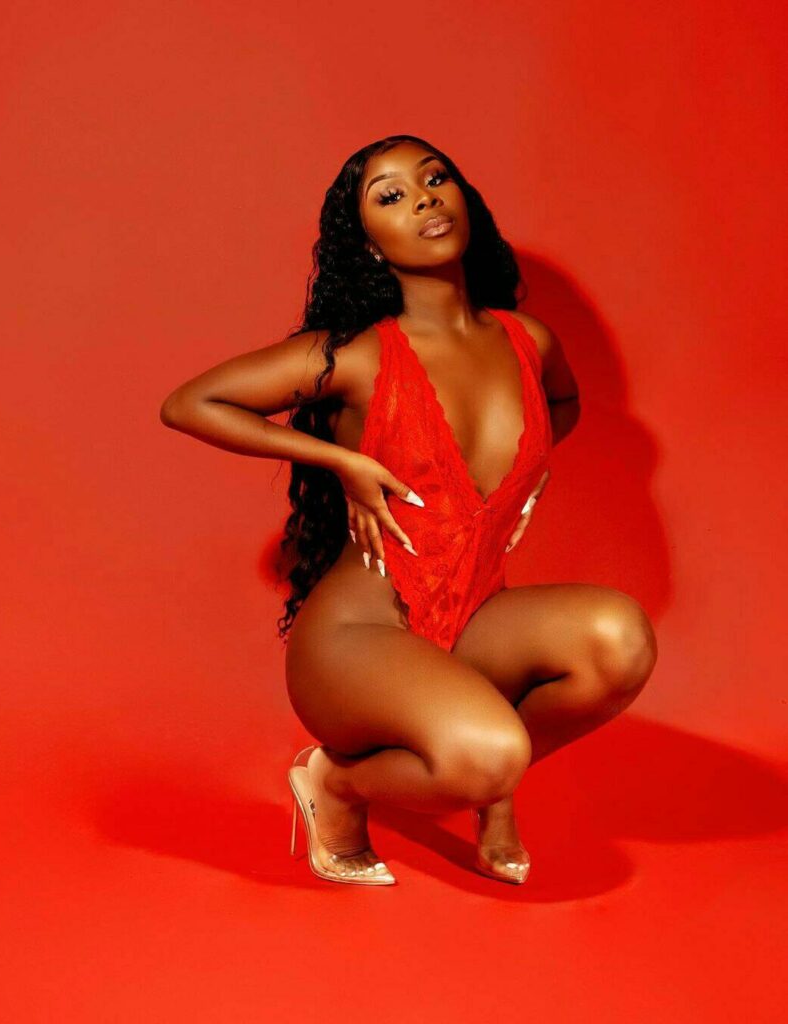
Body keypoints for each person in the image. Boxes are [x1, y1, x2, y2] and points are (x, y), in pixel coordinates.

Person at [160, 134, 658, 887]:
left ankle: (490, 779)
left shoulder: (528, 340)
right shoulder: (359, 354)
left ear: (463, 198)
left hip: (472, 623)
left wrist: (529, 475)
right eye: (390, 196)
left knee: (619, 640)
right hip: (359, 638)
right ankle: (338, 784)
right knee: (488, 753)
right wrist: (344, 462)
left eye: (435, 179)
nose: (424, 198)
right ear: (368, 243)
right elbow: (189, 404)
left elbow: (561, 405)